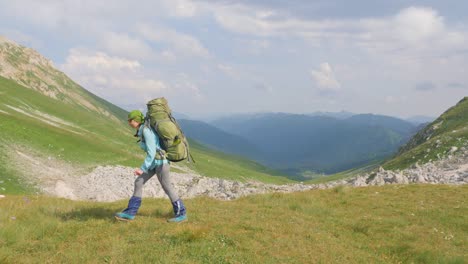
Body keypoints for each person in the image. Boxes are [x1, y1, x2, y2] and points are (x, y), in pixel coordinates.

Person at [115, 110, 187, 223]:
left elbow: (152, 152)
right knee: (138, 182)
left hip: (161, 163)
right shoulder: (142, 130)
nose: (129, 122)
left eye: (131, 120)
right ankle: (130, 212)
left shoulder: (146, 131)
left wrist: (142, 168)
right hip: (154, 163)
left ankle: (181, 213)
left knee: (167, 187)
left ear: (137, 120)